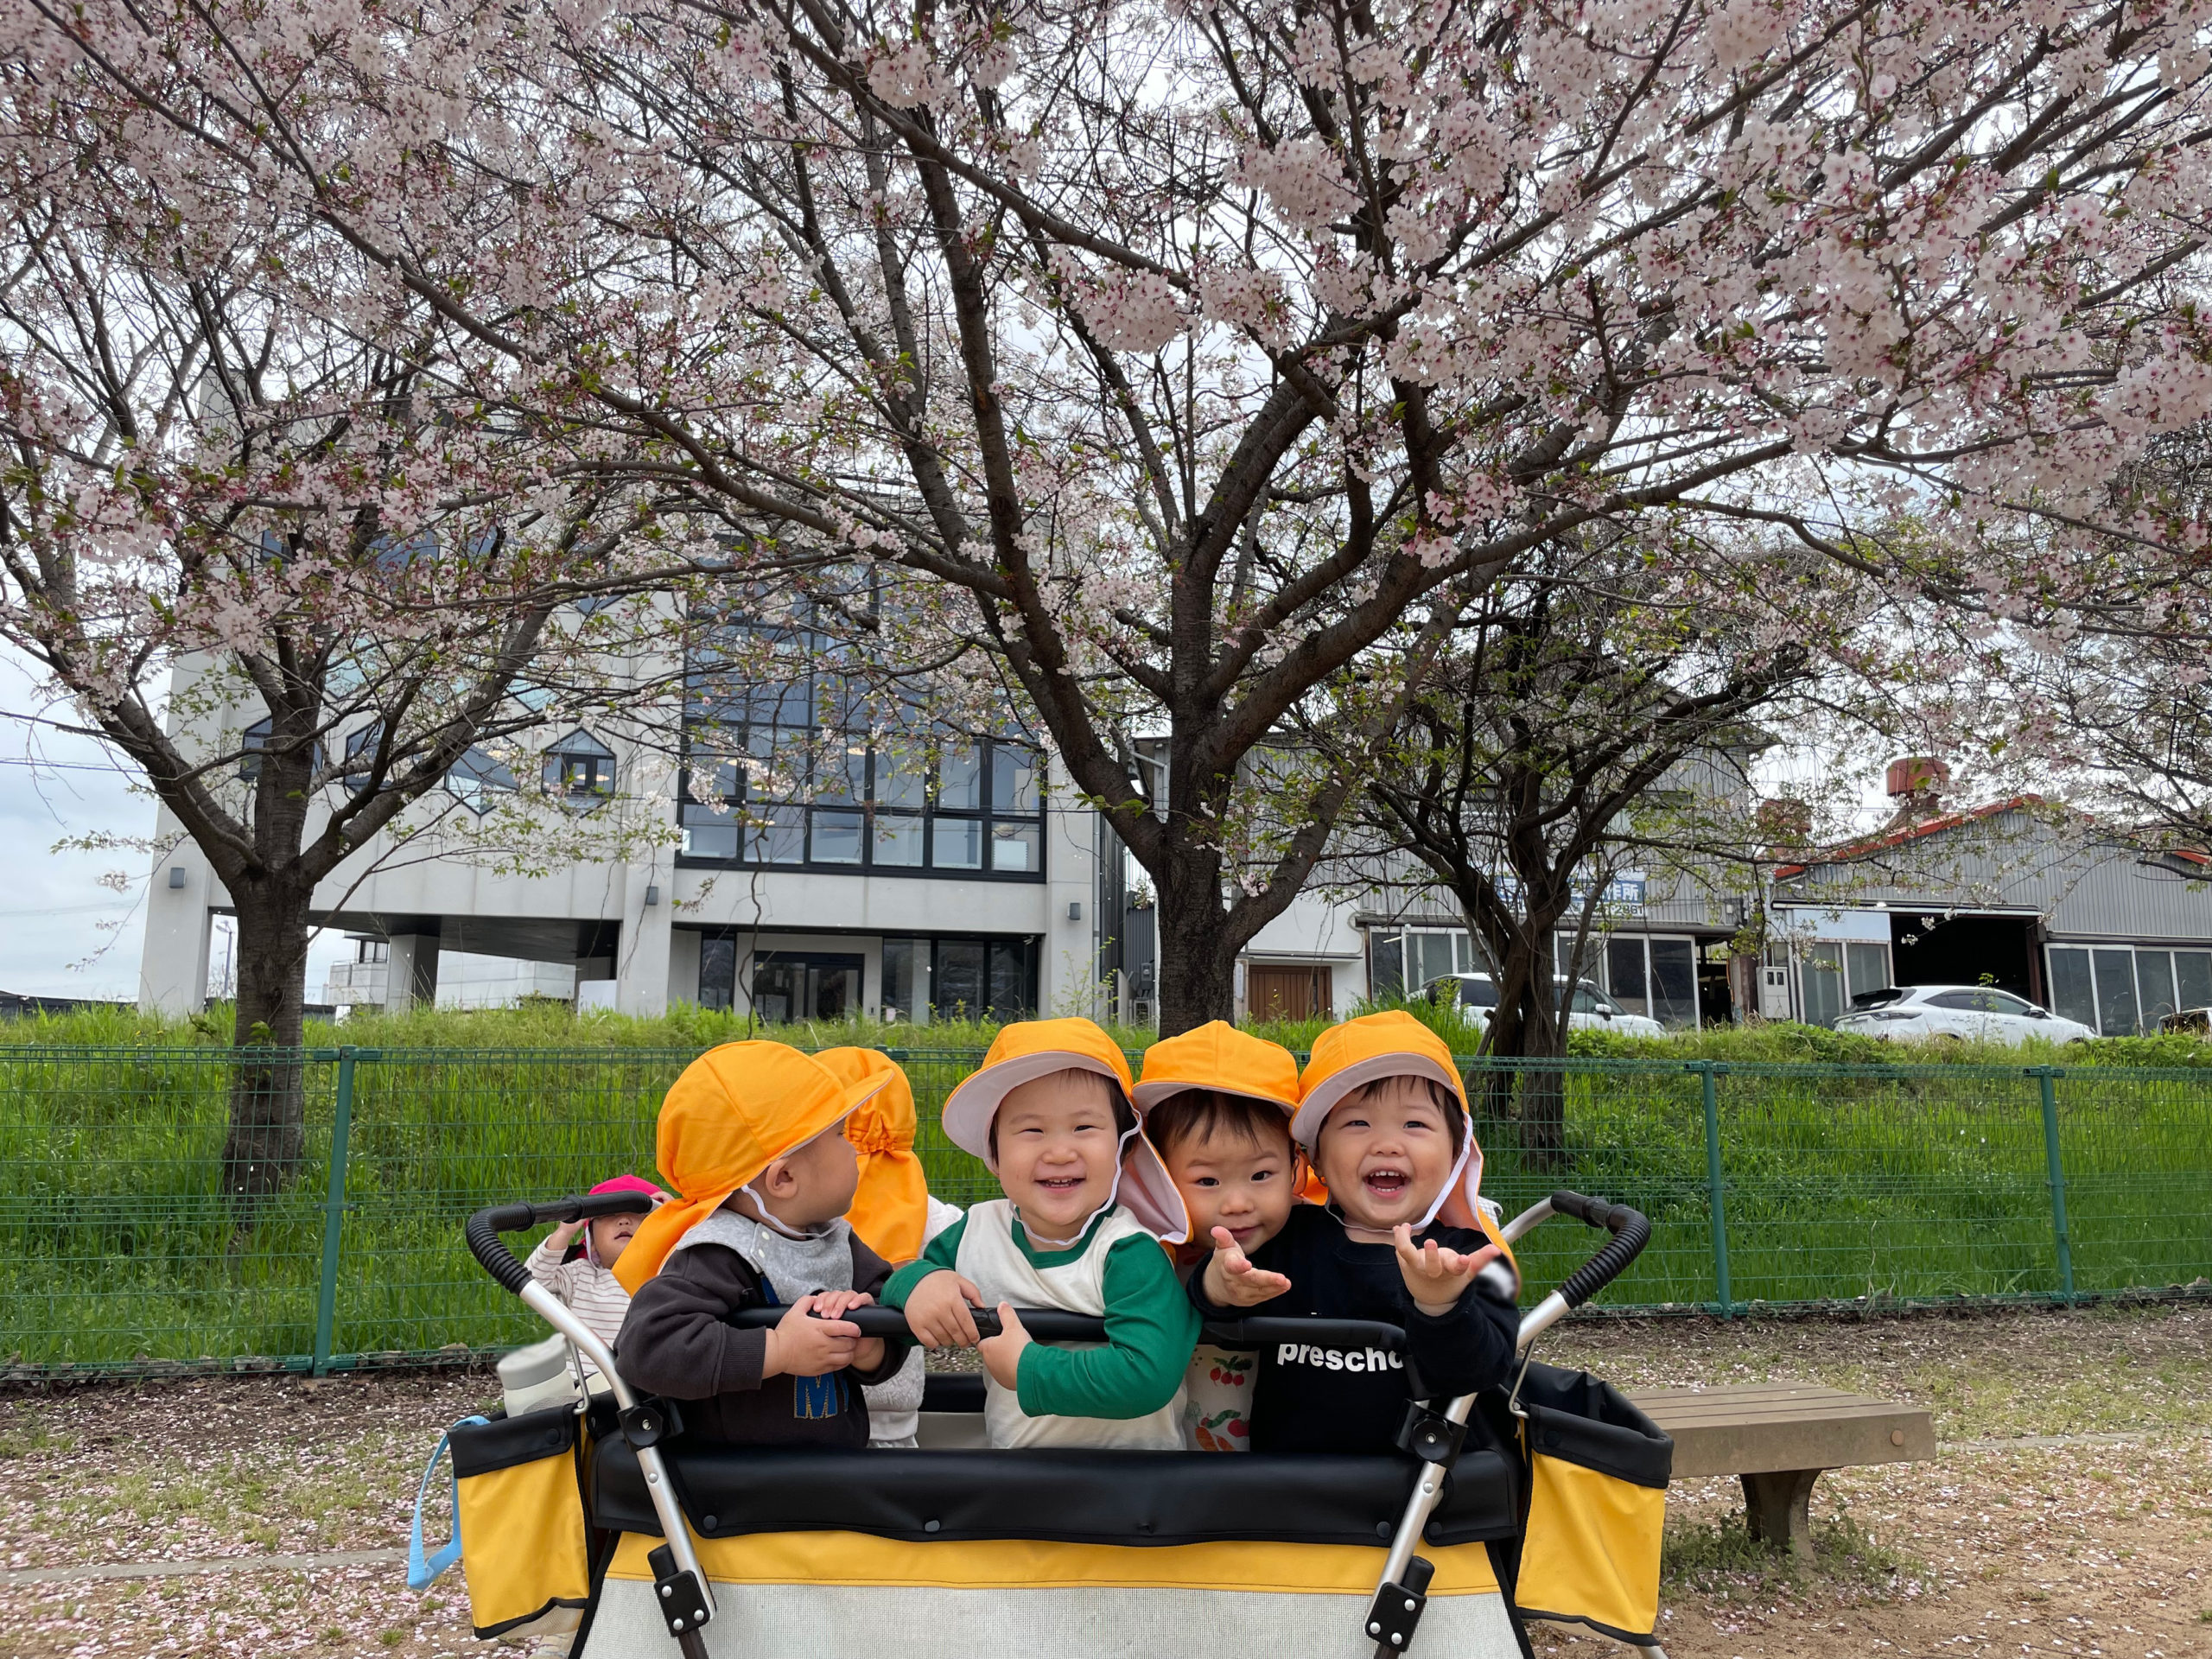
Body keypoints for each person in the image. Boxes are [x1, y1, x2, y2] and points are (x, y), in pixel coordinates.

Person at [1188, 1010, 1520, 1455]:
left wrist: (1439, 1305)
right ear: (1316, 1159)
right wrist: (1218, 1284)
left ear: (1457, 1153)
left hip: (1420, 1486)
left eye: (1415, 1124)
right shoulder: (1288, 1239)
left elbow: (1482, 1372)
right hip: (1286, 1480)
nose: (1386, 1144)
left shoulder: (1468, 1258)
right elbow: (1212, 1307)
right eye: (1357, 1123)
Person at [881, 1018, 1198, 1450]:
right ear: (994, 1155)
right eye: (1032, 1131)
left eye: (1084, 1128)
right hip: (1017, 1475)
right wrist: (920, 1285)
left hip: (1132, 1477)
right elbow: (897, 1297)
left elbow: (1148, 1376)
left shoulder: (1128, 1250)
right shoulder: (976, 1233)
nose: (1060, 1152)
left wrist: (1027, 1368)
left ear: (1124, 1148)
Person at [612, 1041, 912, 1446]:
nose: (854, 1148)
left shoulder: (835, 1240)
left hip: (837, 1467)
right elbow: (647, 1349)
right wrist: (779, 1350)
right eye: (841, 1135)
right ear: (784, 1178)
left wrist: (870, 1347)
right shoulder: (718, 1254)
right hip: (736, 1476)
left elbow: (890, 1321)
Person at [1129, 1020, 1305, 1451]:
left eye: (1261, 1175)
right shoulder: (1144, 1252)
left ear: (1295, 1166)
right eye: (1208, 1181)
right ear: (1159, 1175)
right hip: (1173, 1467)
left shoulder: (1310, 1242)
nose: (1238, 1203)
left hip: (1284, 1468)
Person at [813, 1046, 965, 1448]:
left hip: (804, 1408)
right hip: (892, 1415)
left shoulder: (798, 1201)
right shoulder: (921, 1206)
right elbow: (977, 1247)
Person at [524, 1174, 668, 1354]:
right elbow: (530, 1284)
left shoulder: (669, 1272)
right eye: (610, 1215)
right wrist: (564, 1232)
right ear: (591, 1240)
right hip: (589, 1372)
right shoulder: (579, 1275)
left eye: (639, 1214)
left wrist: (677, 1222)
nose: (624, 1221)